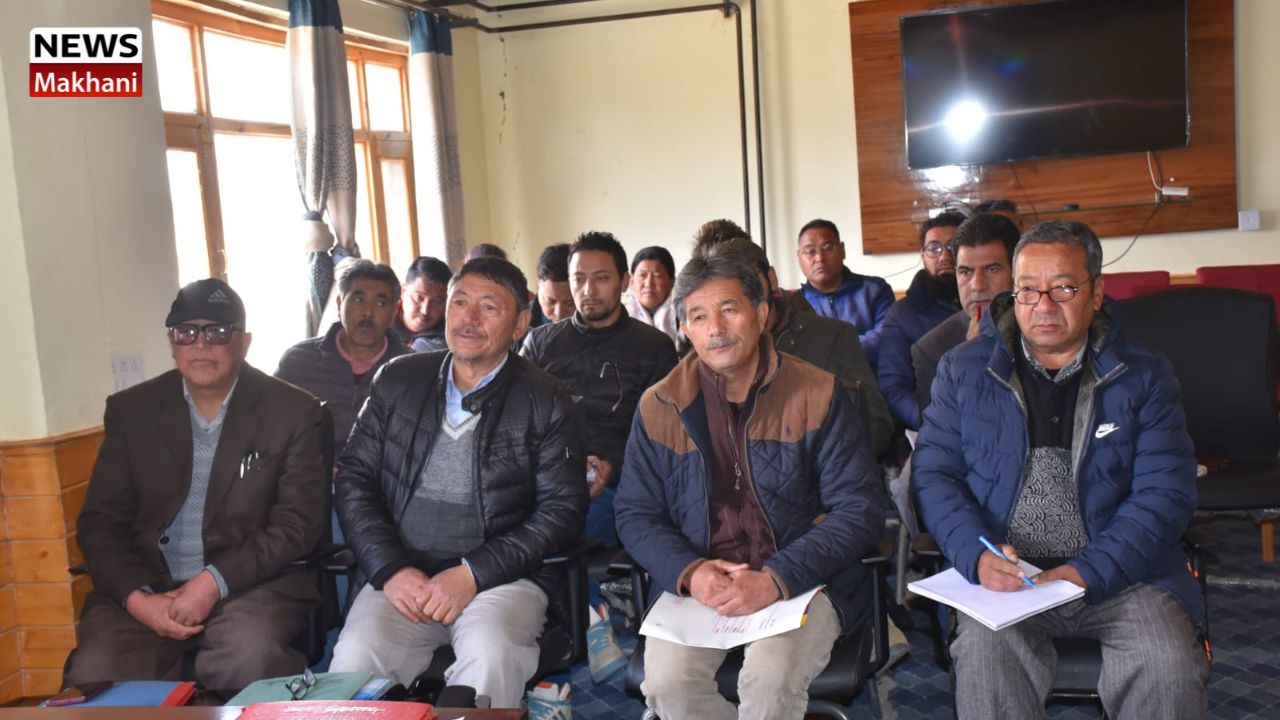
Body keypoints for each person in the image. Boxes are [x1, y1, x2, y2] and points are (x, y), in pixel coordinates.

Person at [912, 220, 1209, 720]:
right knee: (985, 661)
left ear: (1096, 293)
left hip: (1125, 575)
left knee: (1166, 664)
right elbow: (935, 476)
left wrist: (1086, 571)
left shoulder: (1144, 374)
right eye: (1028, 290)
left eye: (1064, 289)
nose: (1043, 306)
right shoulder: (963, 370)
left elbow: (1165, 493)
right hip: (1008, 580)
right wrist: (976, 554)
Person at [615, 253, 886, 720]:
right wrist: (690, 571)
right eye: (699, 316)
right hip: (702, 585)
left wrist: (775, 578)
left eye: (729, 309)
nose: (715, 329)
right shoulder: (659, 405)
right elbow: (636, 513)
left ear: (761, 314)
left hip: (803, 580)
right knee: (667, 685)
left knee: (769, 680)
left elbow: (859, 509)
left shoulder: (819, 392)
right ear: (684, 328)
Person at [330, 258, 588, 707]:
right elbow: (355, 479)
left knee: (490, 659)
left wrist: (472, 573)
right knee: (352, 664)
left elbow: (561, 511)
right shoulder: (398, 379)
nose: (469, 319)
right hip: (403, 576)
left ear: (520, 324)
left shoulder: (546, 400)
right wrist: (390, 568)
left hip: (500, 579)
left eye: (488, 307)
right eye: (459, 303)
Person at [65, 279, 327, 696]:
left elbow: (297, 526)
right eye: (186, 332)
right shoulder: (132, 411)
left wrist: (211, 583)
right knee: (96, 677)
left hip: (250, 585)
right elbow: (100, 524)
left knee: (248, 659)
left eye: (218, 332)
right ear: (172, 341)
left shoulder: (294, 411)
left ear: (244, 343)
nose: (201, 345)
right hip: (148, 585)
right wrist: (137, 599)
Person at [521, 231, 678, 546]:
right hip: (545, 474)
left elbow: (662, 433)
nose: (588, 290)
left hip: (617, 480)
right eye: (579, 279)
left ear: (624, 282)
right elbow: (518, 420)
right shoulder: (540, 343)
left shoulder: (654, 347)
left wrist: (610, 466)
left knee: (575, 524)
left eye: (601, 278)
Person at [695, 235, 895, 458]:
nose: (739, 296)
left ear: (771, 279)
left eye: (748, 283)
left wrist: (810, 459)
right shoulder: (710, 350)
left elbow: (876, 426)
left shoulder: (833, 336)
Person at [277, 259, 409, 458]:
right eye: (358, 299)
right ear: (339, 305)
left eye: (380, 303)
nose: (367, 312)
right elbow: (270, 433)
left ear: (393, 313)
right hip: (309, 475)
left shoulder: (412, 371)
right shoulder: (298, 363)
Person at [911, 212, 1019, 414]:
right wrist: (973, 359)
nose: (977, 285)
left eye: (992, 269)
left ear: (1017, 272)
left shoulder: (1045, 327)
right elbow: (945, 430)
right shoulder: (931, 350)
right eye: (965, 272)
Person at [876, 210, 965, 430]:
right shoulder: (902, 313)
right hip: (931, 424)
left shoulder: (988, 304)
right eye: (934, 248)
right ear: (923, 256)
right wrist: (932, 425)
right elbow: (893, 388)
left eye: (953, 246)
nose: (944, 257)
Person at [796, 219, 896, 369]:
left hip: (874, 379)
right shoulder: (794, 305)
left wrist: (831, 353)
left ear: (842, 250)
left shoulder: (874, 290)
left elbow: (885, 336)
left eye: (828, 247)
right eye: (810, 251)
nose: (820, 258)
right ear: (799, 257)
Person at [623, 245, 680, 348]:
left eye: (657, 276)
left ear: (672, 282)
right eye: (642, 275)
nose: (649, 284)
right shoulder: (620, 316)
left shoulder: (683, 316)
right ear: (631, 280)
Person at [398, 256, 451, 352]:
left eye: (437, 301)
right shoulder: (383, 320)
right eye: (419, 298)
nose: (425, 310)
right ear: (402, 292)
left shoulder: (449, 338)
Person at [531, 243, 575, 327]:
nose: (559, 314)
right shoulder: (519, 324)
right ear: (539, 283)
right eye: (551, 301)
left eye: (569, 303)